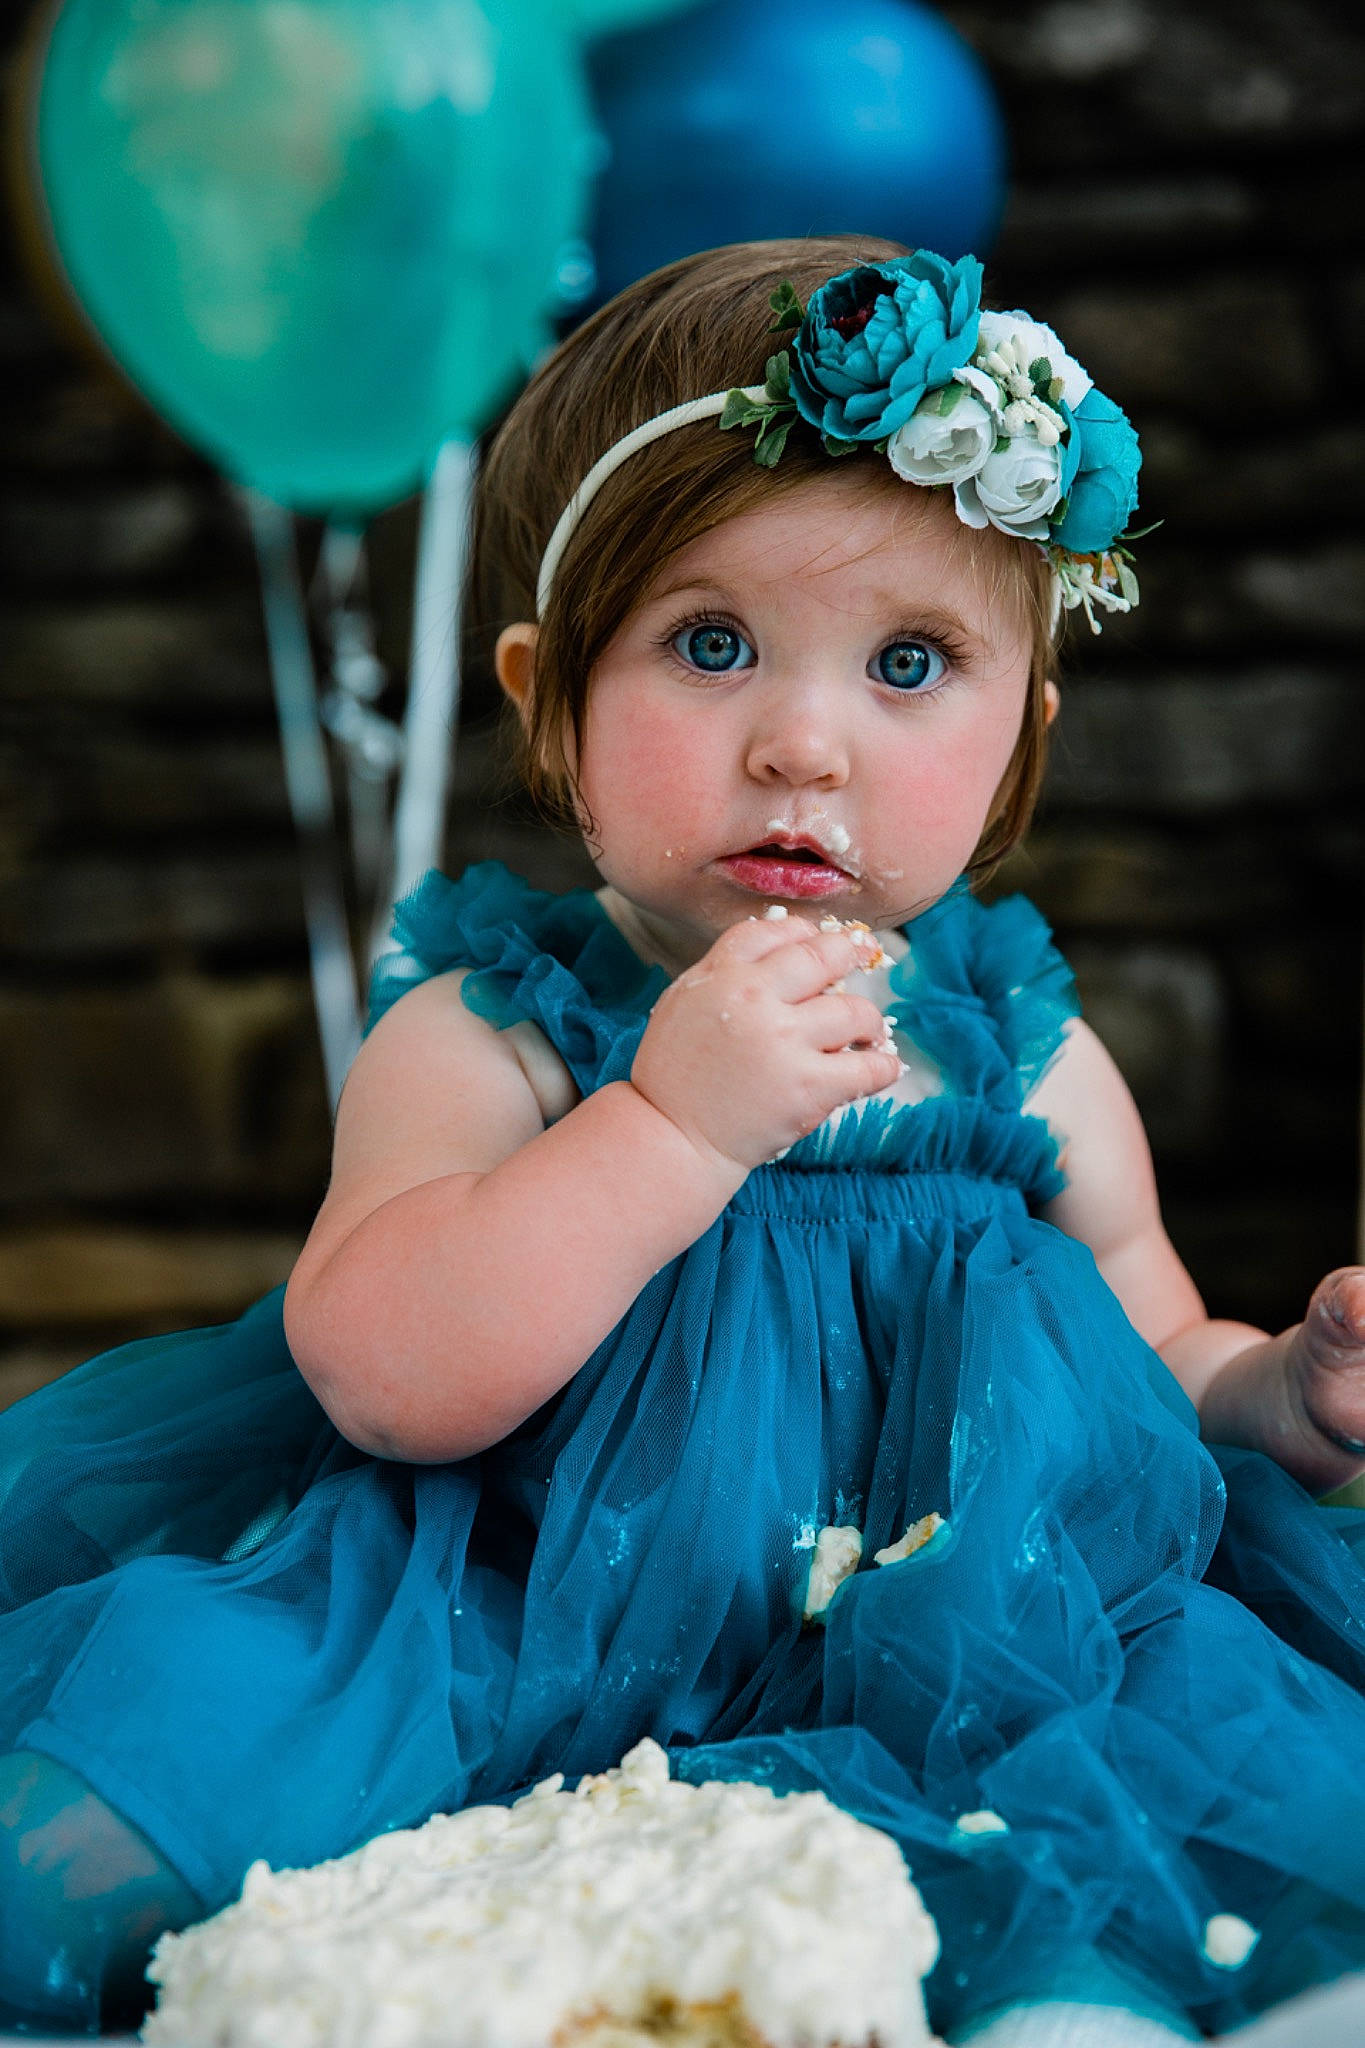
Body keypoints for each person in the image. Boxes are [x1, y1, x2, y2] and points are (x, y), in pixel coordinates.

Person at [3, 235, 1365, 2046]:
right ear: (551, 702)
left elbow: (1147, 1335)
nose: (802, 742)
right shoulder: (495, 1037)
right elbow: (390, 1377)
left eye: (909, 663)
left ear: (1019, 740)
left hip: (962, 1662)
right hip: (502, 1628)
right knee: (110, 1834)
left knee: (1146, 1884)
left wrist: (1272, 1396)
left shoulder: (1022, 1064)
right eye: (709, 645)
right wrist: (667, 1124)